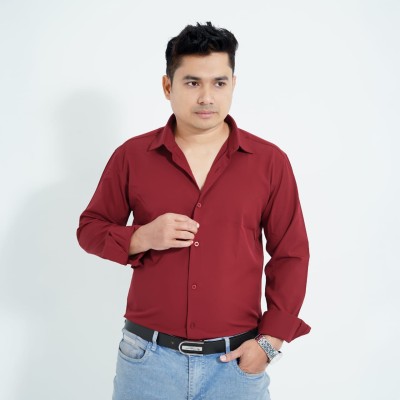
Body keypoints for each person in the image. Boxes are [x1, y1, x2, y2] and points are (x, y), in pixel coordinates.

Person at [77, 21, 311, 400]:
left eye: (219, 83)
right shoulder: (132, 157)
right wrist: (142, 236)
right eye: (192, 82)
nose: (206, 97)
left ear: (233, 84)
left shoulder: (269, 162)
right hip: (147, 362)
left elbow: (291, 254)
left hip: (235, 365)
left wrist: (270, 343)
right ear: (167, 86)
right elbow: (90, 229)